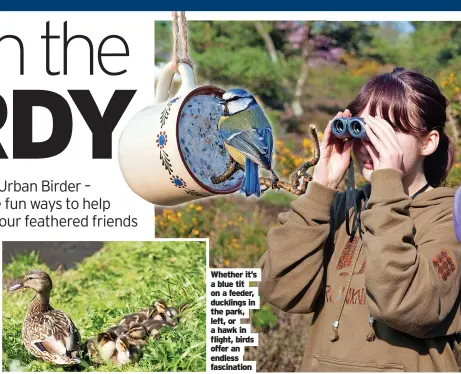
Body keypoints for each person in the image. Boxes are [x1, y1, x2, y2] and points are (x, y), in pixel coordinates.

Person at [258, 67, 461, 372]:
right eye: (363, 128)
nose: (371, 144)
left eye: (390, 131)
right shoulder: (338, 210)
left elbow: (408, 306)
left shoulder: (449, 217)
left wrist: (387, 187)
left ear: (428, 142)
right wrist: (320, 192)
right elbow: (280, 289)